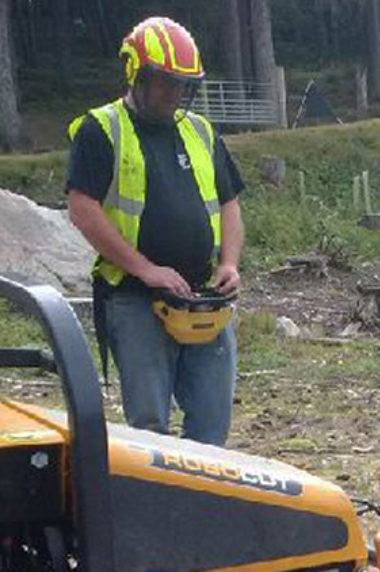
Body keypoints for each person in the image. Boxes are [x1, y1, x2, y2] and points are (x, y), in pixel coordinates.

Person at [66, 16, 245, 447]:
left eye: (183, 84)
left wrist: (229, 263)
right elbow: (82, 208)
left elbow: (229, 203)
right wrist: (146, 269)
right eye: (166, 83)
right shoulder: (101, 130)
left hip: (203, 298)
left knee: (211, 422)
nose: (175, 94)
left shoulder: (200, 131)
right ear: (137, 76)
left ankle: (204, 504)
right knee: (150, 430)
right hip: (135, 299)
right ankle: (156, 509)